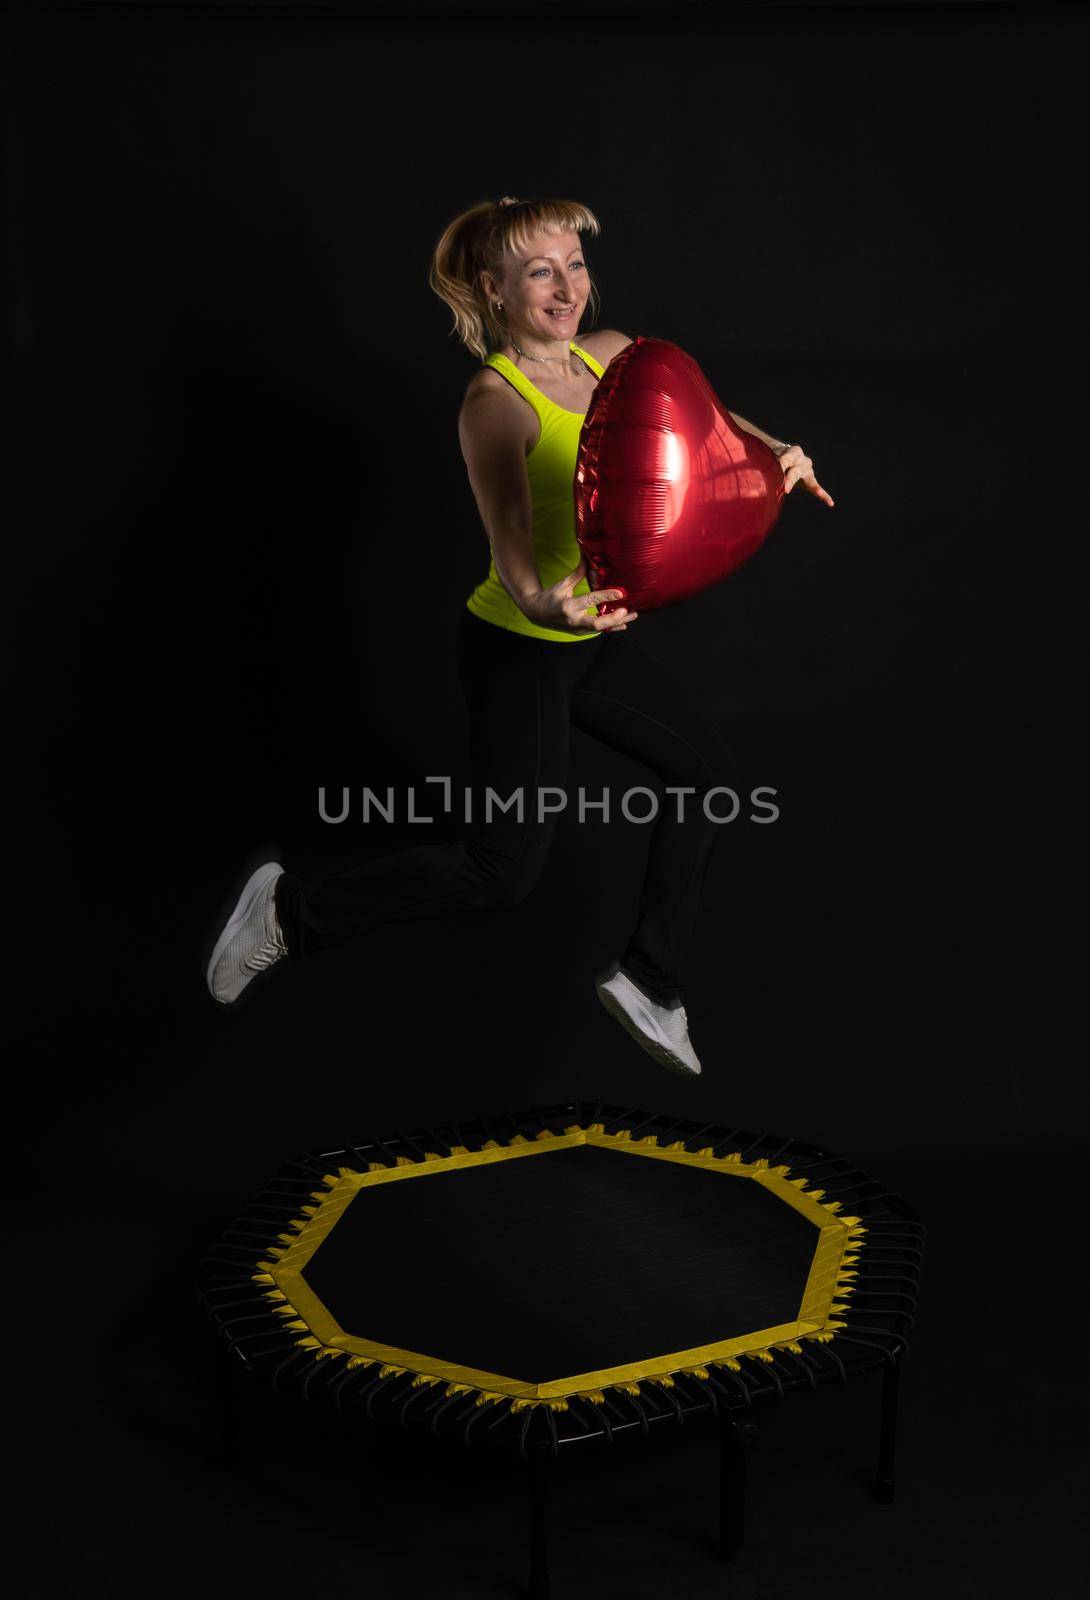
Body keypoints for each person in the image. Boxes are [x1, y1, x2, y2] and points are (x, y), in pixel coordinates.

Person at [205, 195, 833, 1075]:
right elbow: (518, 572)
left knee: (709, 776)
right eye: (541, 271)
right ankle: (286, 916)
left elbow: (716, 436)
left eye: (575, 264)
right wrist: (553, 612)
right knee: (501, 871)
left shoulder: (618, 358)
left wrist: (778, 458)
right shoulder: (494, 404)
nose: (567, 286)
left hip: (595, 639)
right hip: (522, 645)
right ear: (495, 290)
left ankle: (653, 978)